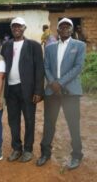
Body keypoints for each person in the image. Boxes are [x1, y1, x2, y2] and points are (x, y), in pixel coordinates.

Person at [36, 18, 86, 170]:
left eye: (68, 26)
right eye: (61, 27)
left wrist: (60, 83)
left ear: (72, 30)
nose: (65, 29)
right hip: (52, 91)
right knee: (49, 123)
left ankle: (76, 155)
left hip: (70, 92)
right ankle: (45, 153)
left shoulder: (79, 46)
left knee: (73, 124)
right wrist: (53, 83)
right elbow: (46, 67)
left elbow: (78, 67)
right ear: (57, 31)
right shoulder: (50, 48)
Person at [0, 17, 44, 162]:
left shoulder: (34, 46)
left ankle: (28, 150)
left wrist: (38, 91)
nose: (16, 29)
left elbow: (39, 69)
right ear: (11, 29)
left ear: (24, 28)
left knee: (29, 120)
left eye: (19, 26)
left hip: (28, 90)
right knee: (13, 121)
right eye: (14, 27)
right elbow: (1, 68)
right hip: (10, 89)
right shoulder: (6, 46)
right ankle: (16, 148)